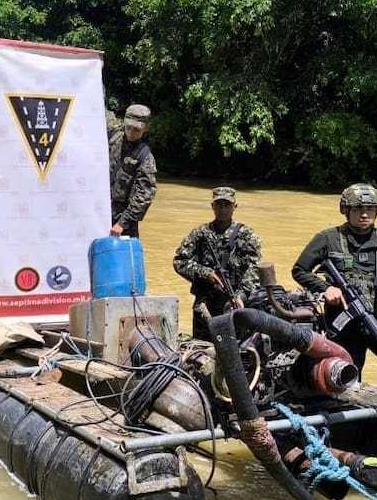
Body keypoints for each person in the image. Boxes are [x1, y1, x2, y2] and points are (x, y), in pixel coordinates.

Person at [290, 182, 377, 397]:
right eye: (357, 209)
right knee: (342, 381)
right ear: (346, 211)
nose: (364, 214)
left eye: (370, 209)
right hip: (345, 328)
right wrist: (326, 288)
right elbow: (300, 270)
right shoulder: (327, 239)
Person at [173, 186, 262, 340]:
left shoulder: (247, 235)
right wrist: (205, 273)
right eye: (219, 204)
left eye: (227, 204)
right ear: (212, 206)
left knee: (235, 351)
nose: (223, 209)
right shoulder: (200, 234)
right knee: (202, 352)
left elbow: (254, 268)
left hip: (235, 303)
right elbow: (180, 261)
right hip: (205, 305)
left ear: (235, 207)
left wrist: (241, 295)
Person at [109, 103, 157, 238]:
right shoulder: (113, 137)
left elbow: (145, 195)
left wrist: (122, 223)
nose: (130, 132)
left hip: (122, 221)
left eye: (136, 129)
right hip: (99, 212)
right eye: (128, 127)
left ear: (145, 129)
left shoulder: (145, 157)